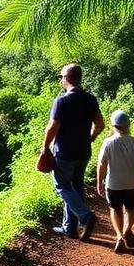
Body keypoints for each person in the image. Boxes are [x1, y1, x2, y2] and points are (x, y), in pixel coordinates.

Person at [43, 63, 104, 241]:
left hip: (65, 153)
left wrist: (45, 148)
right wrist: (90, 138)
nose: (60, 80)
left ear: (66, 79)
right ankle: (69, 228)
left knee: (62, 186)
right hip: (84, 152)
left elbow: (52, 127)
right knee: (76, 187)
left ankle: (85, 216)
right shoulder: (90, 99)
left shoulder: (61, 101)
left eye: (61, 76)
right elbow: (100, 125)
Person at [97, 110, 134, 253]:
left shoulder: (107, 143)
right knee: (132, 209)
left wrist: (99, 182)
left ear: (113, 126)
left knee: (115, 209)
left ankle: (120, 237)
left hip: (113, 184)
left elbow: (102, 164)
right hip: (133, 183)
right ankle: (128, 229)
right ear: (128, 125)